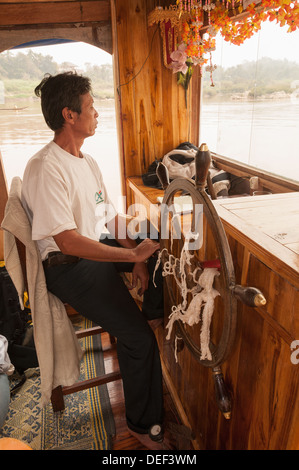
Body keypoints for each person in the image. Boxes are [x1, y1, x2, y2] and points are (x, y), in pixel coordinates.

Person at [21, 72, 166, 450]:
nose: (98, 113)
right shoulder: (44, 167)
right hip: (68, 267)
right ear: (70, 115)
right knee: (139, 341)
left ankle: (149, 311)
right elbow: (68, 241)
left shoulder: (87, 162)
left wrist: (136, 258)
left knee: (152, 240)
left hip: (89, 247)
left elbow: (111, 219)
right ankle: (141, 425)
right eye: (91, 106)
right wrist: (129, 255)